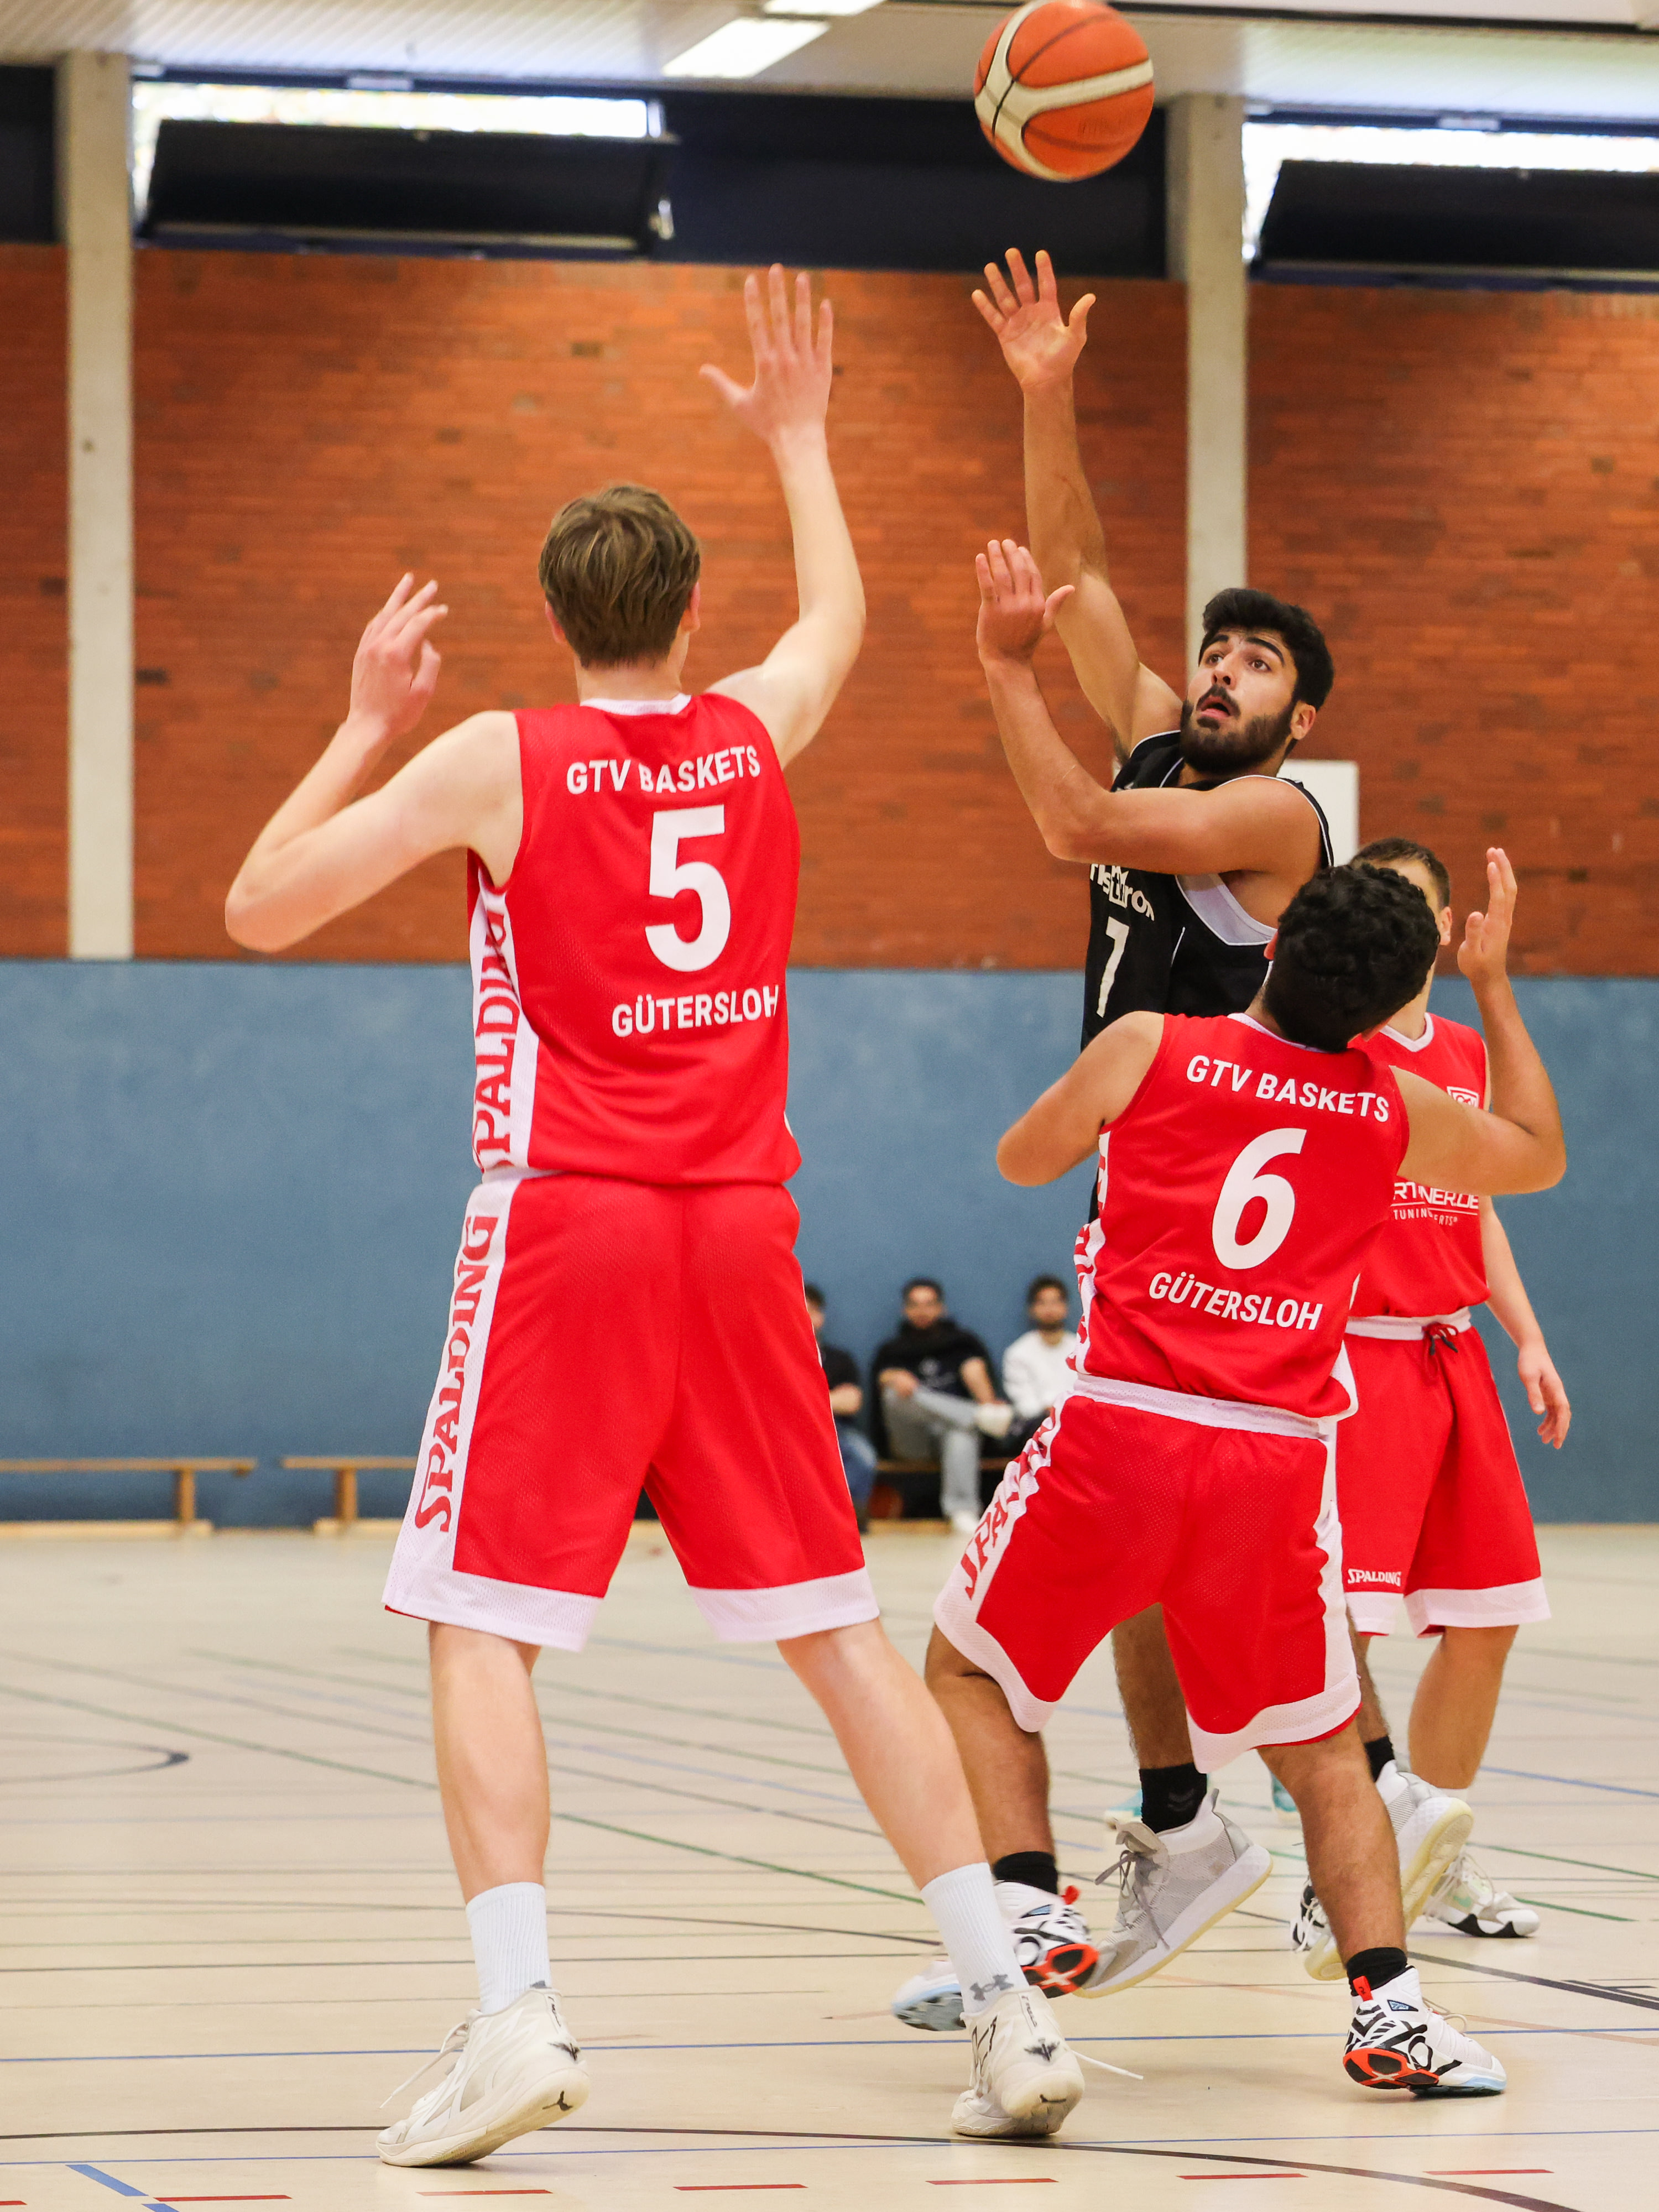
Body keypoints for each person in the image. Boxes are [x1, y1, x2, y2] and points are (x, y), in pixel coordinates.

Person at [224, 268, 1084, 2158]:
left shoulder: (497, 757)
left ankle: (517, 2013)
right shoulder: (754, 729)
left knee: (475, 1624)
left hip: (572, 1228)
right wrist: (800, 439)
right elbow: (840, 619)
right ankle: (1011, 2010)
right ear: (693, 612)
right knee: (839, 1632)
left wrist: (363, 725)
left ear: (554, 617)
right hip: (745, 1237)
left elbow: (259, 908)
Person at [923, 847, 1564, 2095]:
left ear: (1272, 948)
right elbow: (1536, 1153)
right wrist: (1491, 984)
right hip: (1275, 1458)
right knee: (1326, 1751)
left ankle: (1031, 1906)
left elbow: (1021, 1158)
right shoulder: (1394, 1107)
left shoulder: (1150, 1044)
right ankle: (1393, 2012)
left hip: (1122, 1427)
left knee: (973, 1673)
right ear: (1386, 1006)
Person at [947, 247, 1340, 2002]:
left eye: (1256, 664)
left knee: (1161, 1532)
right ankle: (1184, 1817)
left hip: (1218, 1201)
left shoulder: (1273, 819)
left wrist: (1003, 675)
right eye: (1216, 652)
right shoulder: (1169, 747)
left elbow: (1070, 828)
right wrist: (1045, 393)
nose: (1220, 672)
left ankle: (1343, 1823)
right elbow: (1085, 573)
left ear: (1299, 718)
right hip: (1147, 1179)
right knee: (1139, 1541)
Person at [1289, 837, 1569, 1979]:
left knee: (1490, 1617)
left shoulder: (1464, 1052)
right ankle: (1337, 1868)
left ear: (1449, 927)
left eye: (1412, 903)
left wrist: (1528, 1335)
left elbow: (1484, 1202)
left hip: (1454, 1357)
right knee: (1341, 1626)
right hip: (1355, 1363)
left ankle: (1429, 1856)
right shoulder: (1326, 1048)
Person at [873, 1279, 1015, 1537]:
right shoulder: (891, 1350)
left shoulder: (964, 1343)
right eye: (915, 1305)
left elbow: (984, 1385)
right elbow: (880, 1395)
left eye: (929, 1304)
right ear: (905, 1310)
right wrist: (891, 1377)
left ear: (941, 1308)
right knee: (894, 1393)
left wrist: (981, 1388)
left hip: (953, 1434)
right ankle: (977, 1416)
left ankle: (962, 1512)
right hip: (912, 1441)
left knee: (961, 1431)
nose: (922, 1311)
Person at [805, 1282, 879, 1528]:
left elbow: (851, 1402)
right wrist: (830, 1397)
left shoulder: (839, 1359)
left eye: (810, 1310)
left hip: (836, 1428)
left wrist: (803, 1398)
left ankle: (848, 1518)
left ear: (820, 1317)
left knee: (863, 1456)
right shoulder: (771, 1355)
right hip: (786, 1428)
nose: (804, 1317)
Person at [1001, 1274, 1079, 1452]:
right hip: (1037, 1426)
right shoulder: (1018, 1353)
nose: (1049, 1309)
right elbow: (1025, 1405)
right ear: (1032, 1309)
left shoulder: (1081, 1348)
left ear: (1066, 1307)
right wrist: (1053, 1412)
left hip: (1078, 1420)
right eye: (1042, 1303)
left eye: (1055, 1302)